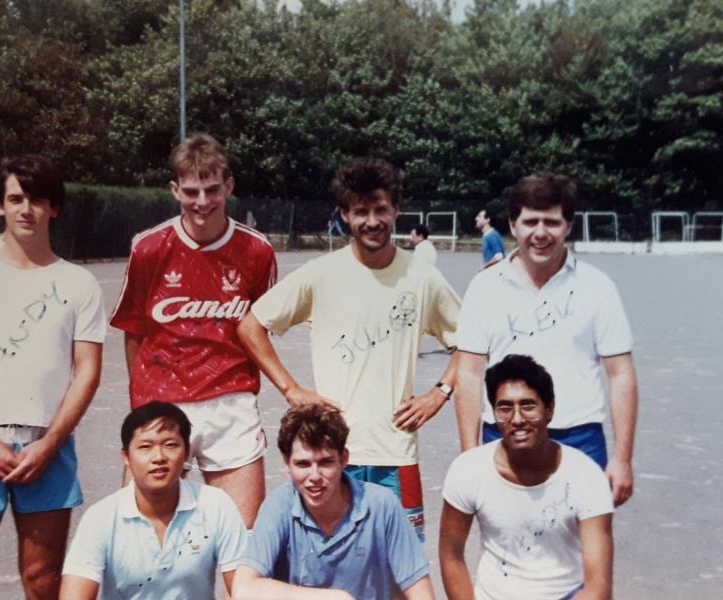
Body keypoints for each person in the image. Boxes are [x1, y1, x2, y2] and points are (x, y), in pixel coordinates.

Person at [238, 158, 461, 541]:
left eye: (380, 210)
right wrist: (292, 390)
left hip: (396, 452)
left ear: (395, 210)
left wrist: (438, 394)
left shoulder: (422, 278)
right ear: (344, 215)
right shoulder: (321, 274)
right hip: (331, 454)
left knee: (400, 569)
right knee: (328, 561)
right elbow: (250, 325)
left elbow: (472, 343)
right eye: (361, 212)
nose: (372, 221)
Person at [0, 155, 105, 599]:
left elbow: (86, 371)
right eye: (17, 199)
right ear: (2, 207)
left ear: (55, 208)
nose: (27, 209)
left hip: (46, 448)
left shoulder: (78, 282)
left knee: (43, 582)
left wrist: (49, 445)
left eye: (39, 200)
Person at [109, 133, 277, 528]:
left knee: (244, 546)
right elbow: (133, 332)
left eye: (212, 189)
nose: (202, 202)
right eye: (191, 191)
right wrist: (144, 406)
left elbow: (258, 331)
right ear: (175, 190)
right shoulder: (149, 248)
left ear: (229, 186)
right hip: (163, 403)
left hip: (230, 406)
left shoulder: (257, 251)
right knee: (139, 544)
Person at [455, 173, 638, 507]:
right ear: (513, 225)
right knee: (507, 548)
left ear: (568, 226)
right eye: (530, 221)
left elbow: (621, 374)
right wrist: (470, 456)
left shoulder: (597, 287)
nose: (540, 233)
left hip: (579, 437)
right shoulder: (484, 288)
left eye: (552, 222)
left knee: (584, 552)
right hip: (504, 434)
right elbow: (468, 373)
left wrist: (622, 459)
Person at [440, 354, 614, 600]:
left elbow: (599, 584)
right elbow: (451, 555)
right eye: (505, 407)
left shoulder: (585, 476)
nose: (517, 419)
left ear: (550, 410)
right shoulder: (468, 470)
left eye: (528, 405)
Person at [233, 404, 434, 599]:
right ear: (287, 463)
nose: (314, 476)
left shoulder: (382, 505)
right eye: (303, 464)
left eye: (325, 462)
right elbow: (243, 589)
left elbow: (420, 591)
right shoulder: (280, 504)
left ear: (343, 459)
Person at [60, 402, 248, 599]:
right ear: (126, 456)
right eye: (145, 447)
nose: (158, 457)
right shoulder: (101, 517)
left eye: (170, 445)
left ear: (186, 452)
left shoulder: (215, 505)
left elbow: (244, 588)